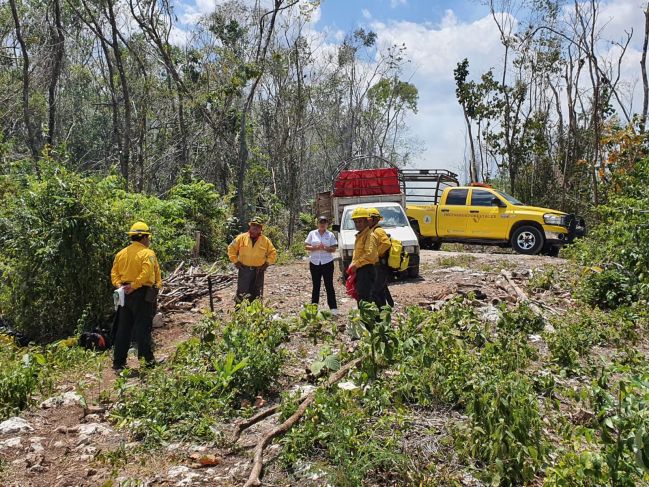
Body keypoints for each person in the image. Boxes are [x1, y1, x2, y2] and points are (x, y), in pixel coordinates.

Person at [111, 221, 162, 372]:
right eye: (148, 238)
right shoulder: (148, 253)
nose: (149, 241)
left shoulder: (120, 254)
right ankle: (148, 362)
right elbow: (146, 273)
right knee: (142, 327)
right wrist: (134, 286)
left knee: (123, 328)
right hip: (141, 293)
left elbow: (114, 273)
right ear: (144, 237)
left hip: (124, 293)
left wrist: (119, 285)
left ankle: (118, 362)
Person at [228, 217, 277, 304]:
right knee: (242, 292)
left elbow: (272, 252)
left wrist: (266, 264)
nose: (255, 227)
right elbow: (231, 248)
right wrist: (235, 261)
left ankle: (255, 311)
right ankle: (239, 311)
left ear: (261, 229)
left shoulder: (265, 241)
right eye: (253, 225)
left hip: (259, 271)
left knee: (257, 292)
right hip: (244, 269)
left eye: (258, 226)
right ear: (250, 226)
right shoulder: (241, 238)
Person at [305, 216, 338, 315]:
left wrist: (325, 248)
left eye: (324, 222)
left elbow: (333, 249)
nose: (322, 224)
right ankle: (313, 309)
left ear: (327, 224)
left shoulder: (330, 234)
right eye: (321, 222)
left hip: (327, 262)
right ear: (317, 224)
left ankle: (333, 309)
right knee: (316, 286)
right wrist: (315, 247)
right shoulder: (312, 233)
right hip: (314, 262)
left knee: (329, 285)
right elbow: (306, 246)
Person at [348, 207, 378, 304]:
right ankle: (364, 314)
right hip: (361, 269)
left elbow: (370, 255)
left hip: (366, 270)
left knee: (365, 299)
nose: (357, 224)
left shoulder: (370, 236)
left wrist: (356, 264)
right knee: (360, 297)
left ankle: (368, 314)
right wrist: (353, 264)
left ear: (367, 221)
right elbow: (357, 253)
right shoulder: (360, 235)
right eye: (355, 222)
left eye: (360, 221)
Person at [368, 207, 394, 308]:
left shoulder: (378, 231)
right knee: (381, 289)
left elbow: (386, 243)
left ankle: (381, 312)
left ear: (373, 219)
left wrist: (376, 255)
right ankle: (387, 308)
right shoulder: (373, 230)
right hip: (377, 265)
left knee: (375, 291)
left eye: (367, 219)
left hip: (380, 266)